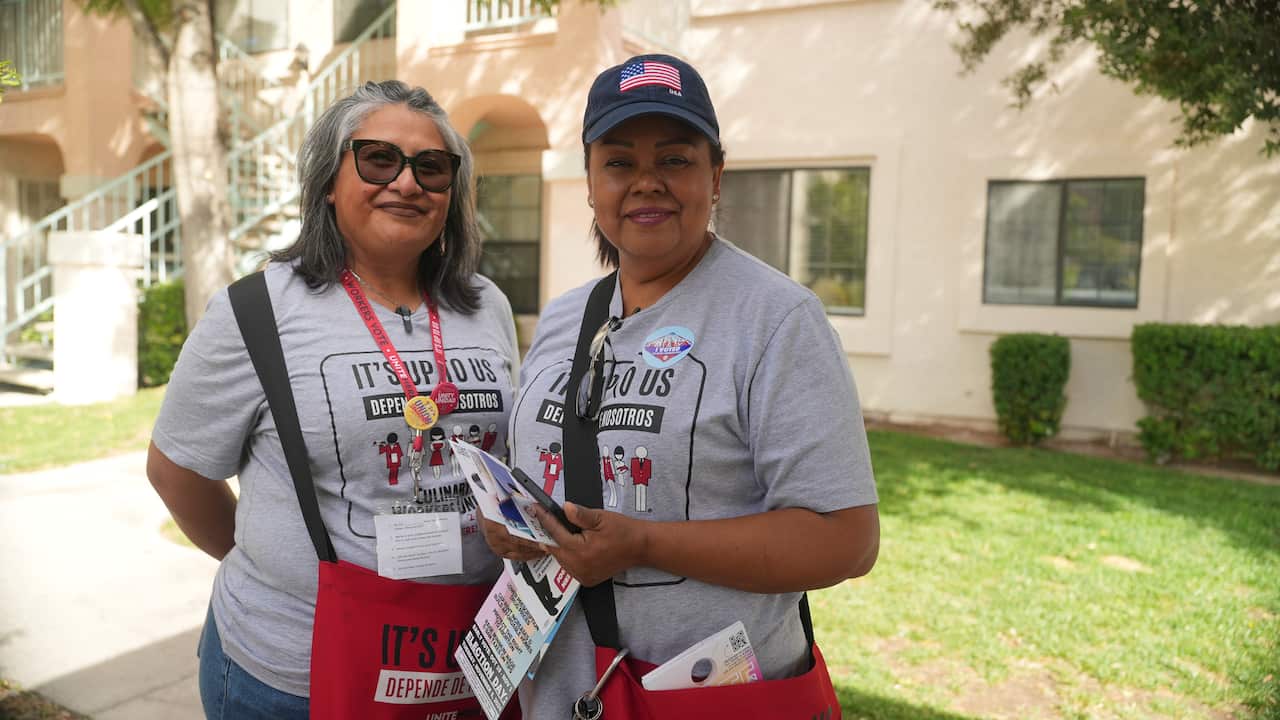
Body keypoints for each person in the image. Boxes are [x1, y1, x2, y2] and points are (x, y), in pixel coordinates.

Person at [480, 54, 880, 716]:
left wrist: (641, 543)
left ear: (715, 176)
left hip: (705, 699)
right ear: (588, 181)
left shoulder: (775, 319)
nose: (647, 183)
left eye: (674, 159)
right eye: (619, 162)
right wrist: (518, 529)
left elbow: (846, 539)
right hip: (558, 693)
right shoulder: (563, 317)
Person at [147, 80, 518, 719]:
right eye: (378, 158)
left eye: (431, 167)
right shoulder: (257, 310)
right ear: (327, 180)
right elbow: (176, 472)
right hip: (291, 672)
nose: (407, 183)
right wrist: (278, 565)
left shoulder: (486, 304)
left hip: (461, 657)